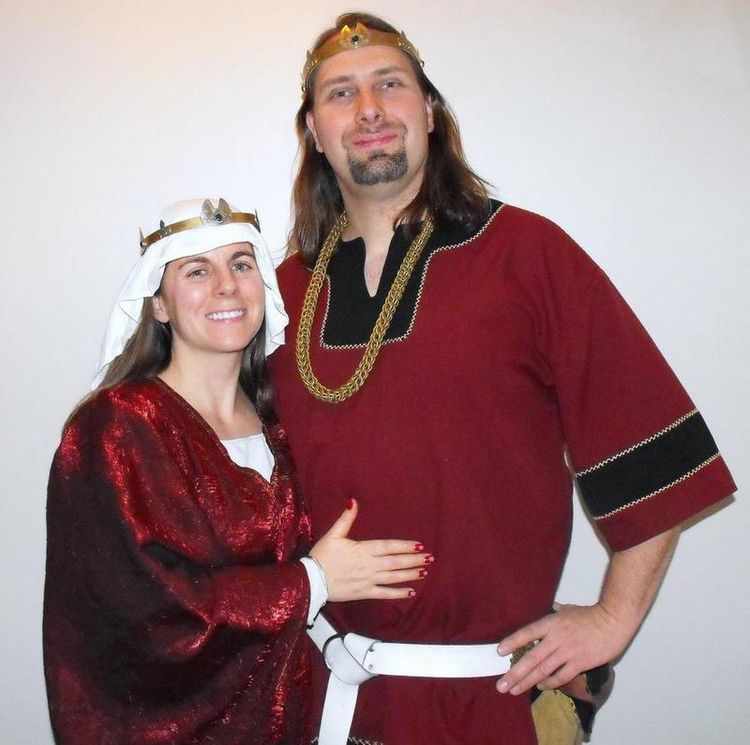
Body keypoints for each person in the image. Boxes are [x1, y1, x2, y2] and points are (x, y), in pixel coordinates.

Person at [267, 13, 737, 745]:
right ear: (315, 132)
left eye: (390, 85)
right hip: (324, 695)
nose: (369, 110)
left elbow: (651, 442)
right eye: (341, 93)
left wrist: (613, 618)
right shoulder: (278, 295)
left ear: (429, 111)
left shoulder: (527, 256)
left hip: (490, 701)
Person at [43, 197, 430, 744]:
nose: (226, 286)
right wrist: (312, 582)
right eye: (197, 271)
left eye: (242, 264)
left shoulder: (280, 421)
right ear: (159, 305)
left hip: (295, 718)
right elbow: (142, 612)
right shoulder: (117, 427)